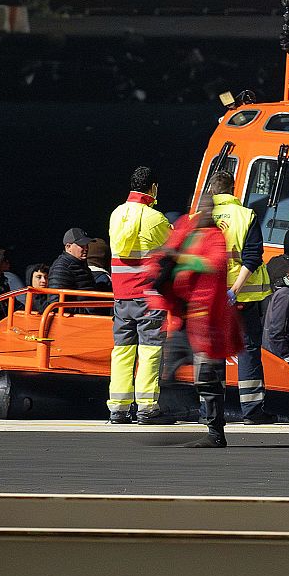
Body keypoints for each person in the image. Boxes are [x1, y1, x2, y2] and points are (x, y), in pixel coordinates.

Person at [152, 202, 245, 448]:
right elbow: (169, 255)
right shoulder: (188, 229)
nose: (202, 212)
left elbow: (211, 264)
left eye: (207, 208)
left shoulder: (215, 237)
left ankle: (215, 432)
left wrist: (181, 258)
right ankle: (175, 415)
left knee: (206, 377)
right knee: (169, 370)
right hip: (184, 316)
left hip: (206, 319)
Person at [105, 166, 174, 425]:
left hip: (121, 296)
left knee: (122, 350)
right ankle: (146, 408)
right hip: (148, 297)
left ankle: (118, 409)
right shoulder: (155, 219)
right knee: (150, 350)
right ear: (153, 188)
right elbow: (172, 249)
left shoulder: (116, 214)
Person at [207, 170, 275, 423]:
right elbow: (252, 256)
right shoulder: (245, 215)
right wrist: (234, 290)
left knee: (211, 352)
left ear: (212, 191)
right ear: (233, 190)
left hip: (208, 299)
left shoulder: (199, 217)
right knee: (247, 349)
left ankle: (210, 412)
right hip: (241, 299)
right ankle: (252, 411)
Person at [48, 228, 100, 292]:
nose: (86, 248)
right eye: (81, 245)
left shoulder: (81, 264)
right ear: (68, 246)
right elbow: (56, 299)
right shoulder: (61, 268)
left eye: (87, 245)